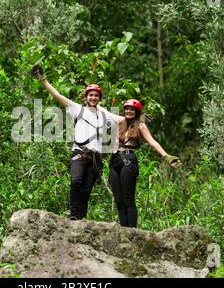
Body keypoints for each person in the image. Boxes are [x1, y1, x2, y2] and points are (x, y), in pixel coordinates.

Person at [31, 65, 114, 220]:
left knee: (86, 191)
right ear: (86, 97)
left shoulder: (104, 115)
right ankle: (74, 217)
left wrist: (139, 119)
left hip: (95, 158)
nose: (93, 98)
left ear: (99, 98)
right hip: (79, 153)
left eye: (96, 95)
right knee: (76, 182)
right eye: (91, 95)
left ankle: (81, 219)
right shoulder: (78, 109)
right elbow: (57, 96)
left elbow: (121, 120)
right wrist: (43, 81)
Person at [99, 99, 181, 228]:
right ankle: (123, 230)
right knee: (119, 200)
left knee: (128, 198)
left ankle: (132, 231)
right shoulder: (120, 121)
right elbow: (104, 111)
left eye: (132, 109)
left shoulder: (141, 126)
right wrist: (91, 102)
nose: (129, 111)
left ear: (136, 112)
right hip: (115, 160)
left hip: (128, 160)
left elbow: (153, 142)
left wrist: (167, 157)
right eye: (127, 109)